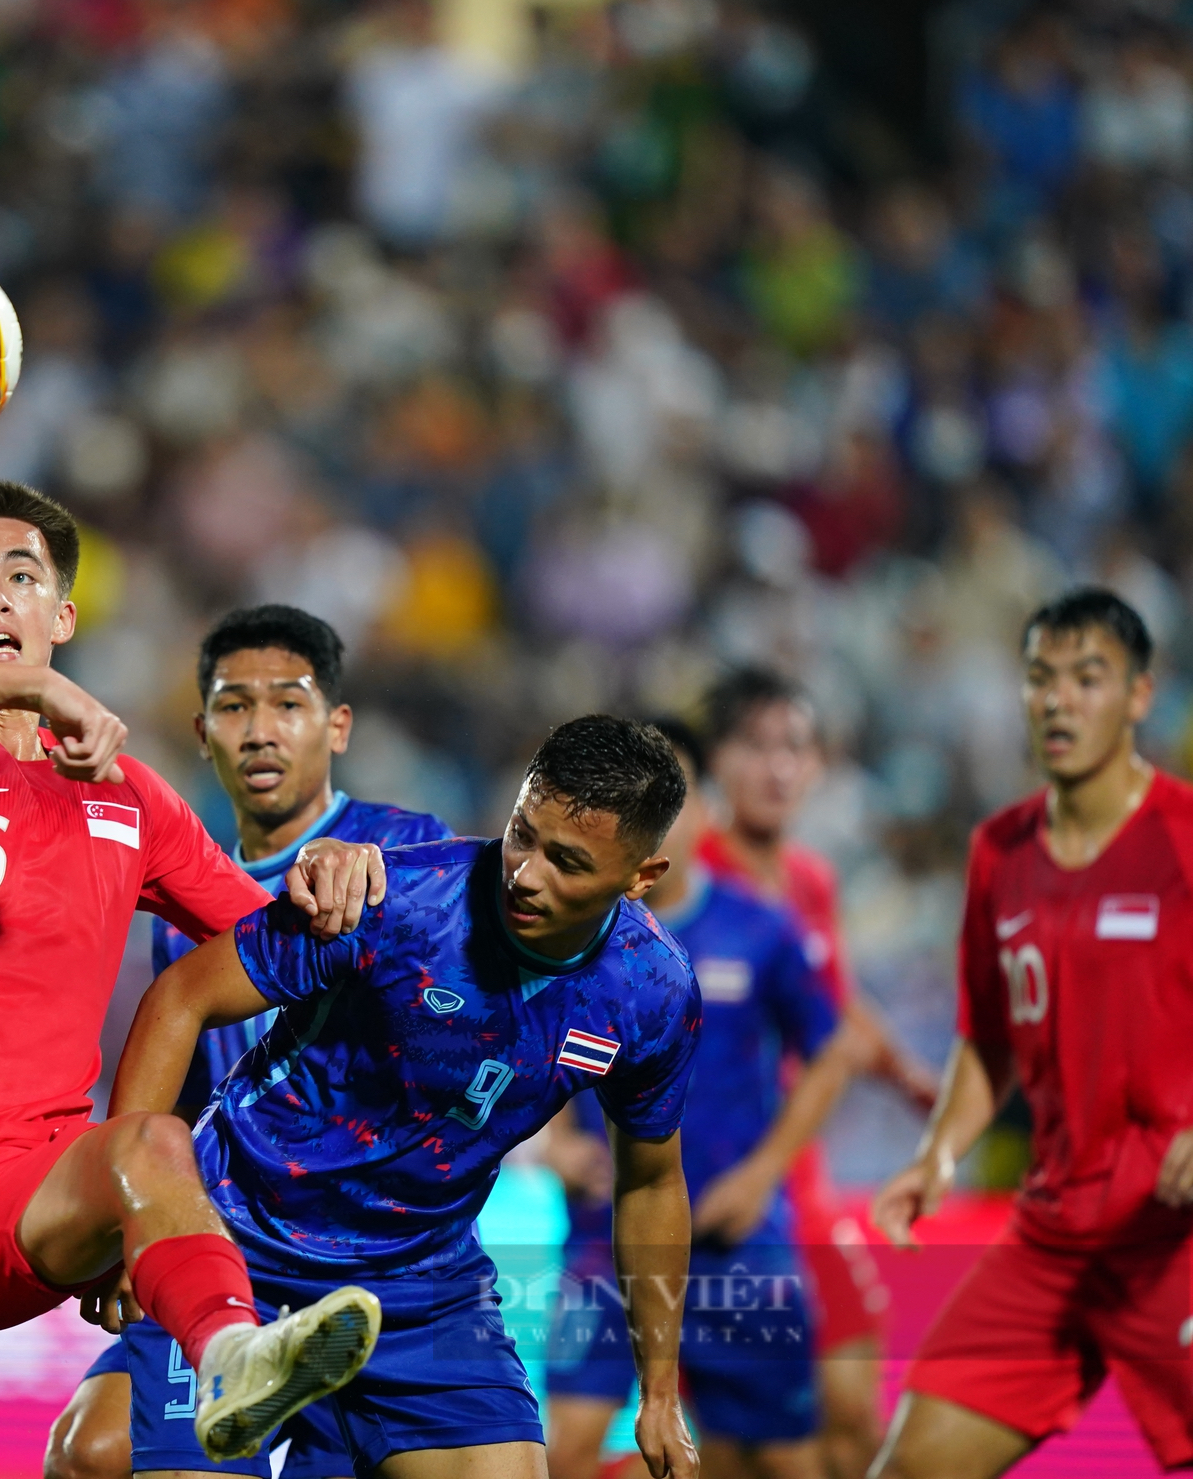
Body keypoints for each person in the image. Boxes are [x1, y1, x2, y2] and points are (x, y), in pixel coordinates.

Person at [0, 482, 390, 1479]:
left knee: (146, 1139)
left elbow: (269, 943)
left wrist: (326, 876)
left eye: (22, 578)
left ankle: (232, 1356)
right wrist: (31, 692)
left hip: (22, 1181)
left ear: (63, 616)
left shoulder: (126, 796)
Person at [109, 715, 705, 1479]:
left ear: (640, 877)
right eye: (523, 833)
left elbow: (653, 1181)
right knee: (107, 1454)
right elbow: (179, 1000)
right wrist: (132, 1210)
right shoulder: (394, 899)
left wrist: (658, 1392)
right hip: (237, 1239)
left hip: (420, 1283)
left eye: (568, 861)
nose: (525, 872)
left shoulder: (652, 989)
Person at [45, 603, 453, 1479]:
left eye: (289, 704)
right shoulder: (185, 891)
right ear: (201, 731)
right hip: (236, 1237)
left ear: (337, 725)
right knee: (90, 1449)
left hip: (377, 1247)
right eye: (234, 707)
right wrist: (137, 1220)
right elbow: (189, 1088)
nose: (260, 731)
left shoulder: (408, 853)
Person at [870, 587, 1193, 1478]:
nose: (1060, 699)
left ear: (1139, 695)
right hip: (1052, 1237)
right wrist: (936, 1158)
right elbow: (988, 1040)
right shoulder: (999, 854)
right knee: (908, 1468)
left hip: (1175, 1232)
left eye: (1089, 678)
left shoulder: (1185, 838)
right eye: (1041, 678)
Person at [541, 720, 857, 1479]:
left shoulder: (762, 929)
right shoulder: (573, 935)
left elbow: (831, 1053)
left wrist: (762, 1177)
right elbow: (539, 1042)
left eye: (671, 801)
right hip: (604, 1236)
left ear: (706, 811)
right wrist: (555, 1140)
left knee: (776, 1458)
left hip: (736, 1239)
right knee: (564, 1452)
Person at [696, 668, 935, 1479]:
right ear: (715, 762)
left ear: (820, 765)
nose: (777, 768)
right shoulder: (685, 880)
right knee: (740, 1449)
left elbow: (833, 1004)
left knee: (856, 1417)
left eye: (795, 748)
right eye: (755, 747)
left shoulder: (810, 881)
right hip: (709, 1192)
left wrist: (907, 1075)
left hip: (798, 1182)